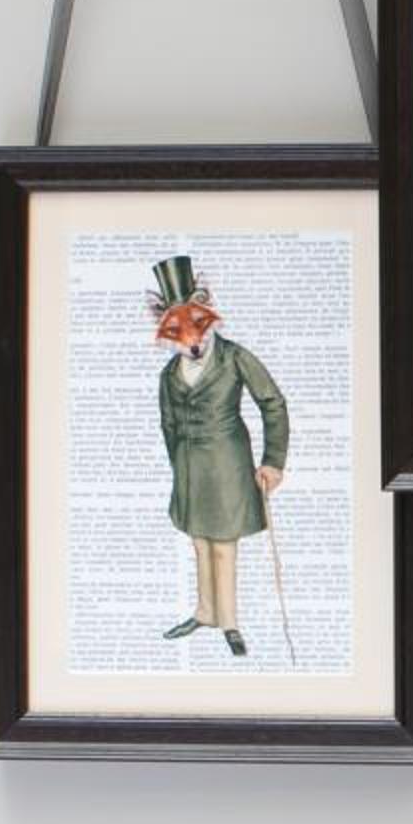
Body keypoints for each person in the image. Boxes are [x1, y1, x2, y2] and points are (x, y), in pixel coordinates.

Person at [148, 255, 287, 657]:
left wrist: (273, 460)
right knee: (199, 541)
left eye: (197, 325)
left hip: (228, 463)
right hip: (189, 469)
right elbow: (168, 424)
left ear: (208, 313)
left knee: (224, 544)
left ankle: (230, 622)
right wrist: (178, 466)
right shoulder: (168, 375)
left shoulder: (235, 357)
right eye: (177, 332)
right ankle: (205, 611)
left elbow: (273, 402)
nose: (191, 340)